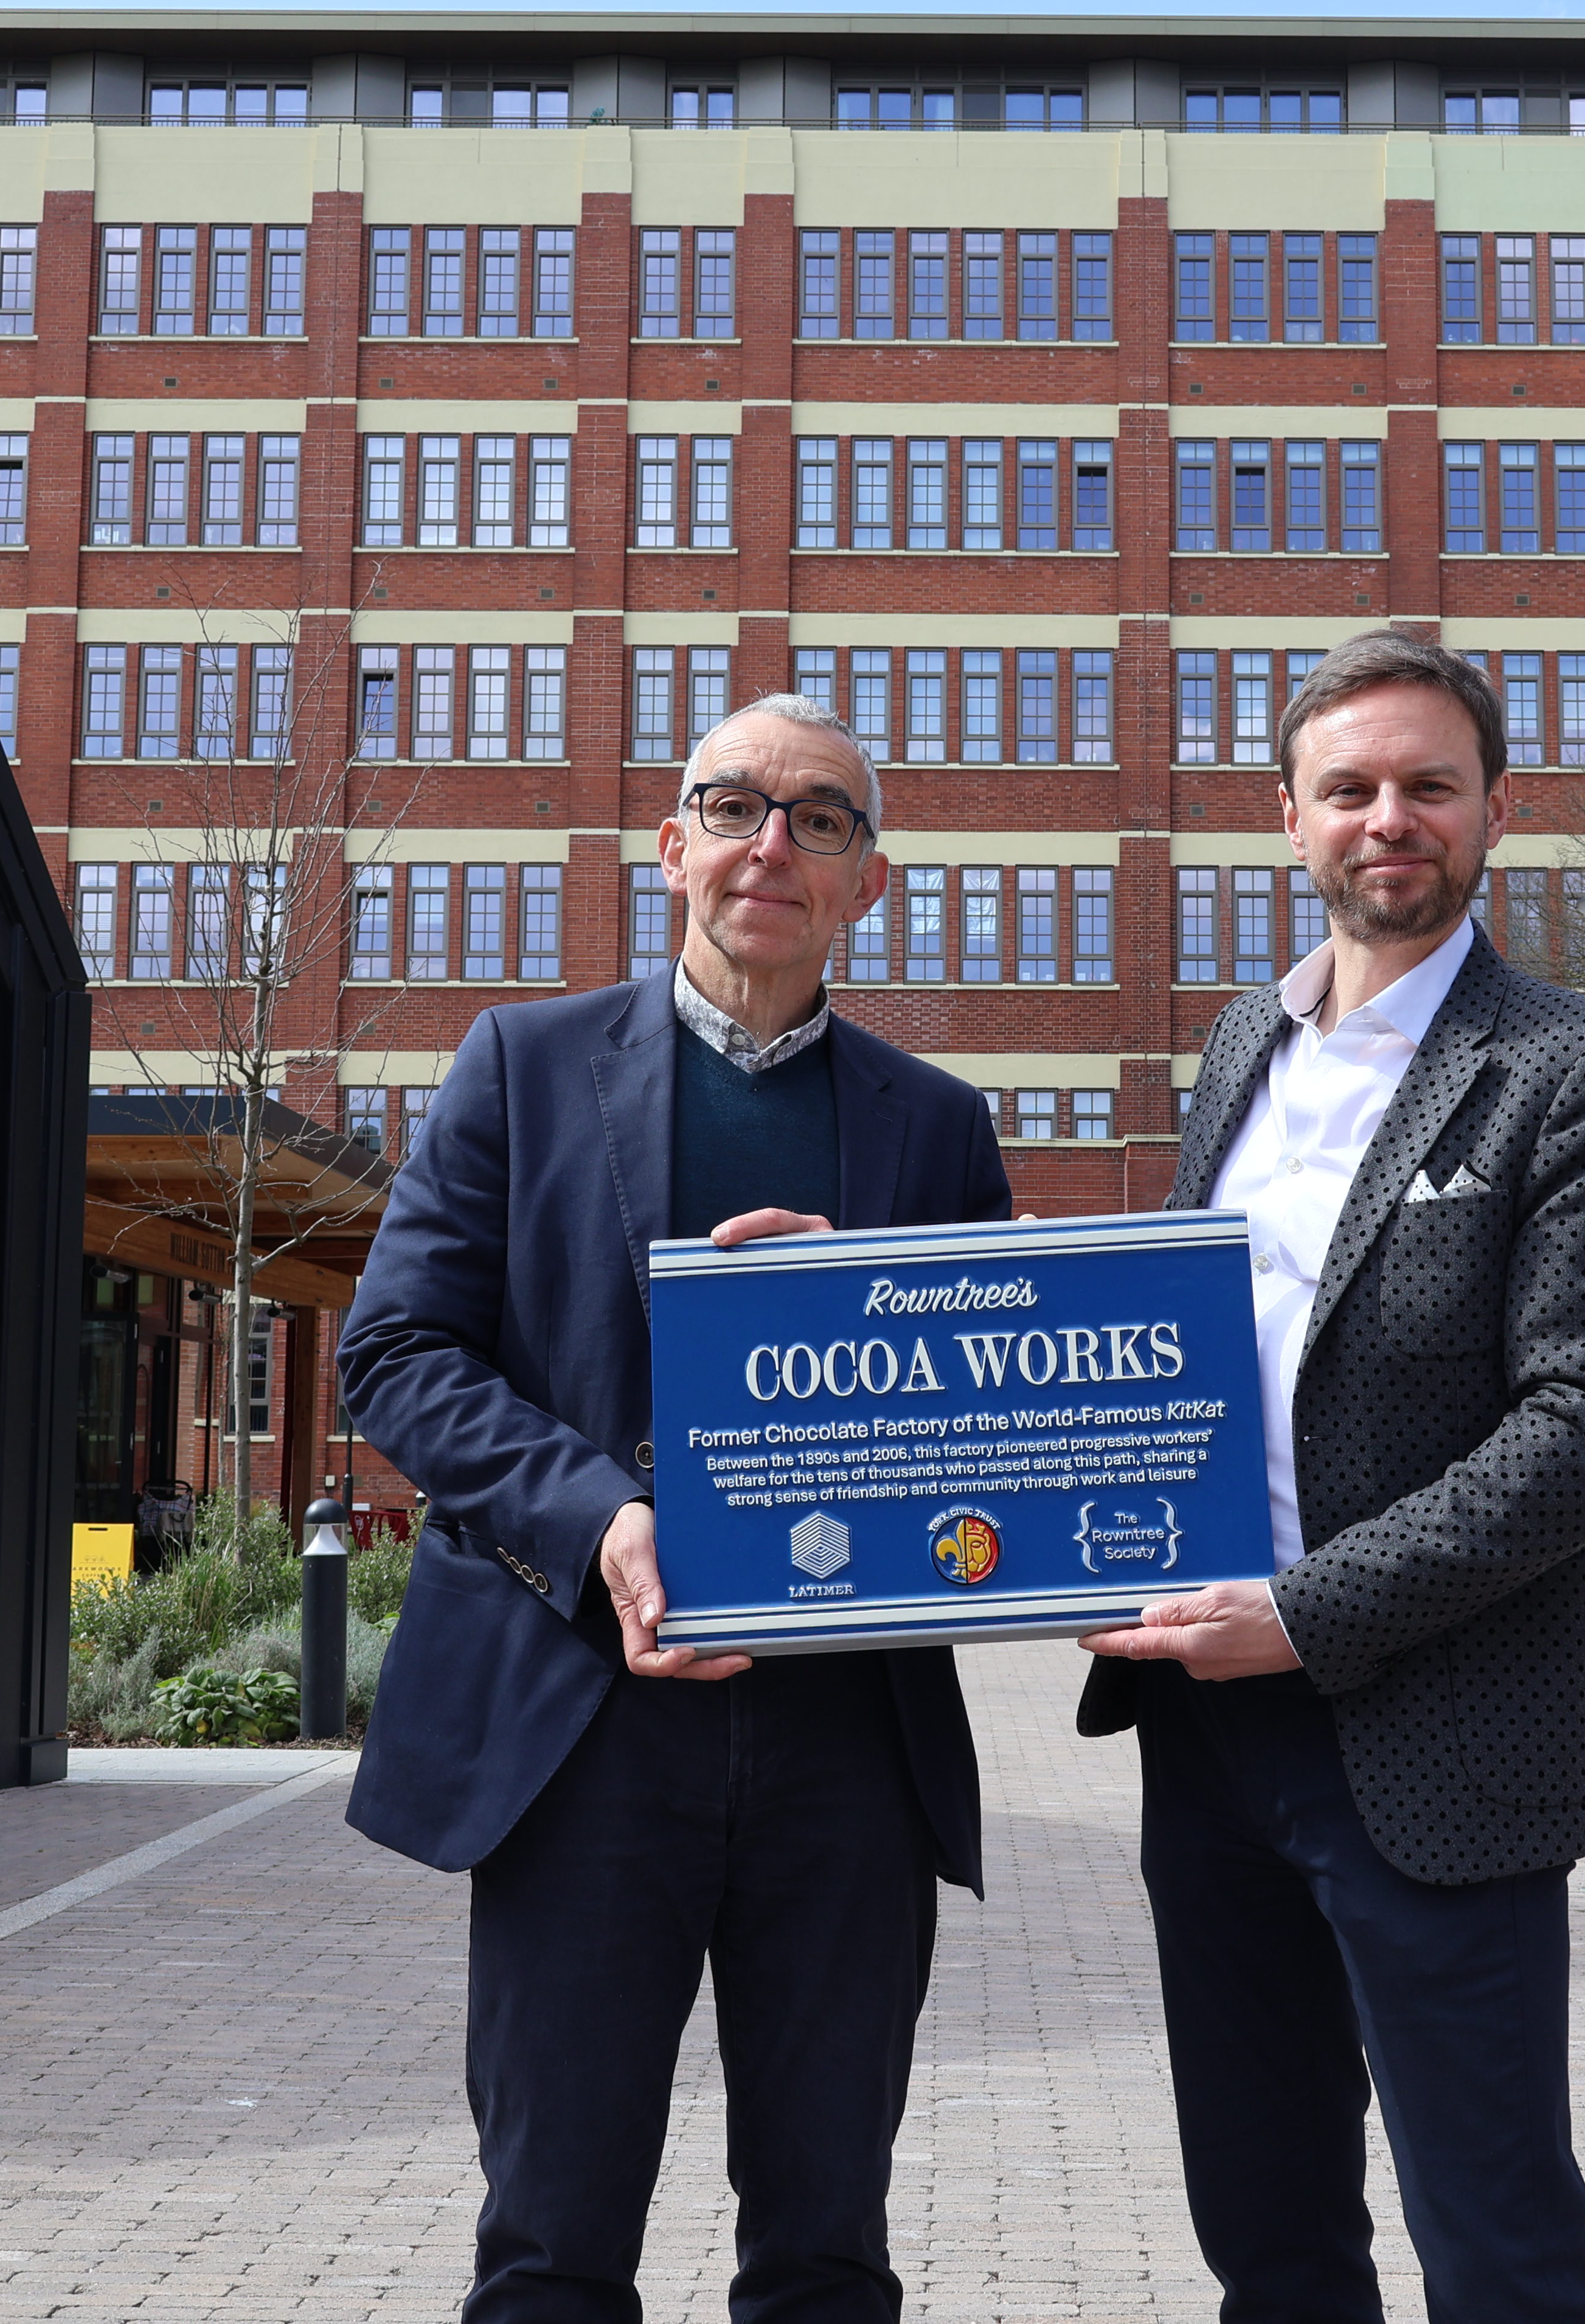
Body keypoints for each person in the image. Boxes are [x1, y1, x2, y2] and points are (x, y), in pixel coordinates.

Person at [339, 694, 1013, 2323]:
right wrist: (597, 1520)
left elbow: (1001, 1433)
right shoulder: (521, 1066)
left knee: (827, 2254)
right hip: (582, 1731)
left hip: (849, 1748)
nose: (771, 844)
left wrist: (876, 1306)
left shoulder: (936, 1127)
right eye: (733, 806)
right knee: (552, 2247)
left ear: (866, 883)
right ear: (671, 848)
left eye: (820, 818)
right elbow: (398, 1352)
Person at [1080, 632, 1585, 2324]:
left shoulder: (1577, 1068)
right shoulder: (1235, 1051)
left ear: (1498, 808)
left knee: (1498, 2253)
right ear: (1290, 817)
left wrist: (1301, 1612)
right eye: (1348, 788)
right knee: (1267, 2237)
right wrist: (859, 1285)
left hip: (1442, 1734)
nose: (1388, 819)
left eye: (1429, 784)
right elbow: (1174, 1347)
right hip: (1207, 1740)